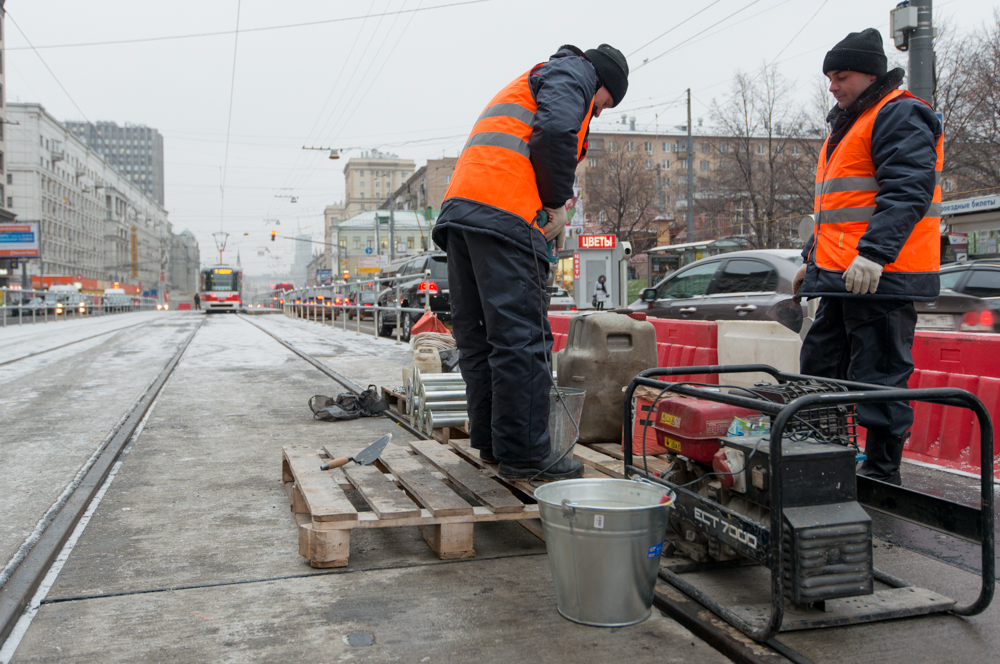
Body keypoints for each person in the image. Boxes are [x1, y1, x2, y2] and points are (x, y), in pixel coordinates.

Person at [432, 44, 629, 480]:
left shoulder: (532, 80)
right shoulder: (573, 72)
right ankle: (526, 453)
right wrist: (554, 203)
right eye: (602, 106)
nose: (595, 115)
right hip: (505, 214)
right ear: (601, 83)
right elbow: (557, 130)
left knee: (481, 337)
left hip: (463, 215)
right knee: (521, 338)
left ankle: (494, 444)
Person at [793, 28, 943, 486]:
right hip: (841, 274)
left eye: (841, 76)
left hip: (882, 277)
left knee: (878, 374)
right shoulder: (851, 124)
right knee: (822, 365)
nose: (832, 86)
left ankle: (881, 472)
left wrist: (875, 255)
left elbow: (907, 190)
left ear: (870, 75)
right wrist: (813, 260)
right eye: (830, 78)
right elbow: (837, 210)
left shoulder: (898, 114)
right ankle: (828, 456)